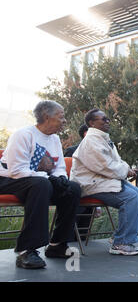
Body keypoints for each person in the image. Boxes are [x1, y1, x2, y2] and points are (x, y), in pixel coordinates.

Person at [0, 100, 81, 269]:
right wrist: (48, 178)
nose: (64, 120)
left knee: (72, 189)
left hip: (38, 179)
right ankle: (27, 250)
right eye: (61, 117)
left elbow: (58, 167)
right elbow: (17, 169)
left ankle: (57, 244)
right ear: (46, 116)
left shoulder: (55, 139)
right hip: (9, 179)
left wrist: (60, 179)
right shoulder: (23, 134)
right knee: (41, 185)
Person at [70, 108, 138, 256]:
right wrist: (126, 171)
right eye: (103, 119)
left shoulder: (103, 139)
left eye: (108, 118)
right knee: (130, 197)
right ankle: (120, 243)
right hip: (92, 183)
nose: (107, 121)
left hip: (104, 179)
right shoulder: (91, 141)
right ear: (91, 123)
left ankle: (120, 235)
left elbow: (115, 161)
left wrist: (127, 169)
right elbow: (104, 165)